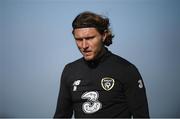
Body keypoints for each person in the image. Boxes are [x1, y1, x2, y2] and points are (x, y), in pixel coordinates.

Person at [54, 11, 149, 118]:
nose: (84, 45)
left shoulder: (126, 70)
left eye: (90, 38)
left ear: (103, 35)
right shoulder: (70, 71)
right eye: (79, 39)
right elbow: (61, 116)